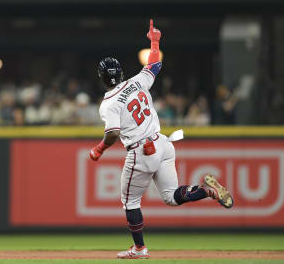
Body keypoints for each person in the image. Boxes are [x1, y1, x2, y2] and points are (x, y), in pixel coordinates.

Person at [90, 19, 233, 259]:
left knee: (130, 200)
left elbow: (113, 133)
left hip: (142, 150)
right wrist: (155, 40)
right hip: (164, 144)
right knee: (171, 197)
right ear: (121, 73)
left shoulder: (108, 104)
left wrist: (99, 148)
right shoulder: (136, 81)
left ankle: (139, 248)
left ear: (102, 78)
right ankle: (207, 192)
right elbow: (155, 64)